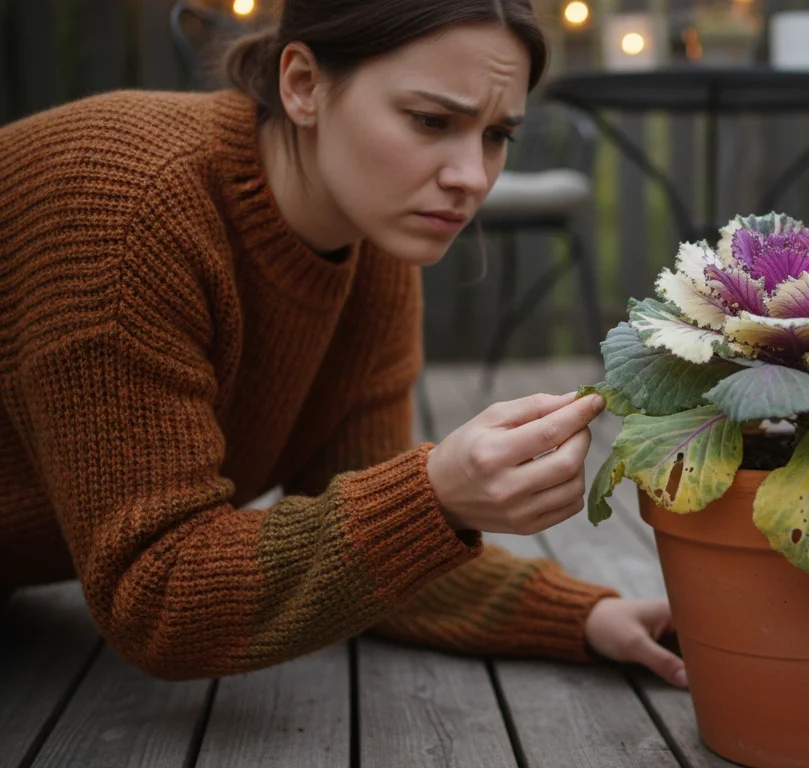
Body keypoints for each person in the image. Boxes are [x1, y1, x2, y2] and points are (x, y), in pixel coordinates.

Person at [0, 0, 686, 689]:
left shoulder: (372, 245)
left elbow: (359, 546)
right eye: (430, 121)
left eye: (496, 134)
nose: (472, 178)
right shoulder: (128, 211)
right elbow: (157, 594)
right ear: (302, 85)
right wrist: (434, 496)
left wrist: (586, 618)